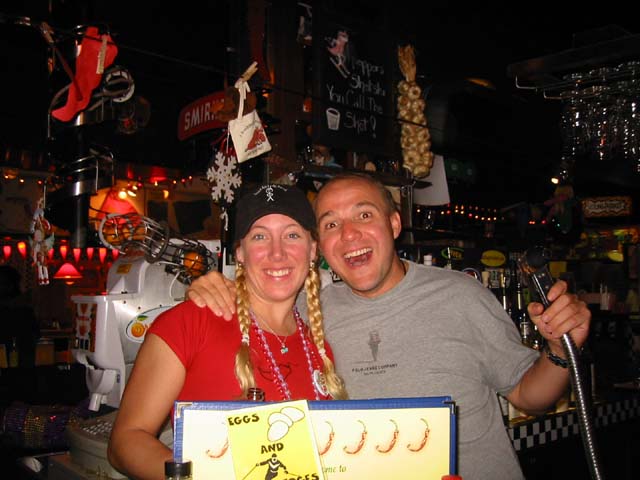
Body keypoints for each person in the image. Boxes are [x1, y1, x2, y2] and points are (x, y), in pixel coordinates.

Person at [186, 172, 590, 480]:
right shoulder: (306, 315)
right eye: (331, 224)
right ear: (318, 247)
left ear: (394, 224)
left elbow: (529, 396)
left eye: (364, 215)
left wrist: (559, 350)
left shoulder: (460, 295)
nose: (349, 234)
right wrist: (214, 289)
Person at [107, 184, 347, 480]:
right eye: (260, 236)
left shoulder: (319, 348)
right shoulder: (190, 322)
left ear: (312, 250)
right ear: (240, 253)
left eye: (292, 235)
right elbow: (126, 441)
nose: (277, 253)